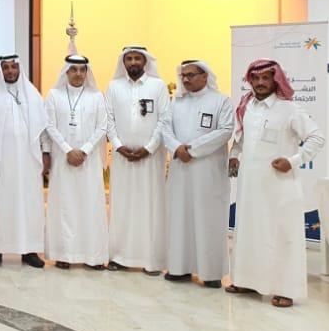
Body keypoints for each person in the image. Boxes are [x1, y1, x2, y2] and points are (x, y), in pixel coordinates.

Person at [226, 59, 324, 308]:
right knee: (249, 231)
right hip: (250, 185)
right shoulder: (247, 106)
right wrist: (234, 155)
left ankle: (285, 289)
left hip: (278, 185)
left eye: (265, 78)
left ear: (275, 80)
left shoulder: (289, 109)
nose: (260, 83)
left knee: (281, 234)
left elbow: (317, 137)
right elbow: (241, 138)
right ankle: (246, 281)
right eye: (255, 78)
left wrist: (293, 161)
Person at [160, 60, 234, 288]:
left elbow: (225, 131)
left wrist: (192, 149)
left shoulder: (221, 101)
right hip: (181, 170)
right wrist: (177, 148)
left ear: (205, 76)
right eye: (183, 75)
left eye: (191, 75)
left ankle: (211, 273)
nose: (185, 79)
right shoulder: (176, 102)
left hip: (208, 173)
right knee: (179, 217)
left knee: (208, 219)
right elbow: (164, 128)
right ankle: (179, 268)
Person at [0, 54, 47, 268]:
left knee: (28, 204)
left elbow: (43, 128)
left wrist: (46, 152)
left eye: (13, 67)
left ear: (19, 69)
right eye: (5, 67)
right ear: (0, 70)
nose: (10, 71)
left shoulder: (32, 94)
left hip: (27, 161)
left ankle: (29, 250)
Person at [105, 45, 169, 275]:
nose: (133, 62)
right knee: (122, 206)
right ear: (123, 62)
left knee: (149, 206)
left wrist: (149, 148)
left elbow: (164, 119)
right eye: (129, 58)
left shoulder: (158, 86)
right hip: (122, 157)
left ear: (145, 61)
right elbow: (108, 119)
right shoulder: (114, 87)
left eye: (137, 58)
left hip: (150, 158)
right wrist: (118, 145)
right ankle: (119, 256)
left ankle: (151, 259)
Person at [44, 55, 109, 270]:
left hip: (88, 161)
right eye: (74, 69)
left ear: (87, 72)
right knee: (65, 206)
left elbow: (102, 126)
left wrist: (85, 150)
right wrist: (67, 150)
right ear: (66, 72)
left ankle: (94, 256)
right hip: (63, 160)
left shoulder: (96, 96)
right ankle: (65, 254)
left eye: (82, 70)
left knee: (91, 205)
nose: (78, 74)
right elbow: (49, 126)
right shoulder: (54, 95)